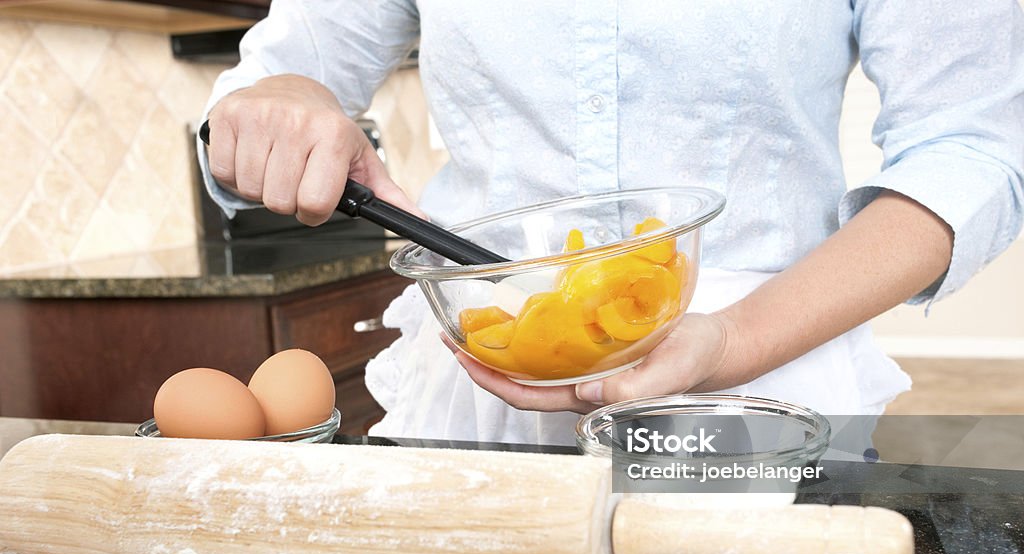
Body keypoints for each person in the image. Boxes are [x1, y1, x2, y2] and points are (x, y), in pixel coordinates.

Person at [199, 1, 1024, 445]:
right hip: (479, 396)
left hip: (756, 394)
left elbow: (972, 146)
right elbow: (264, 87)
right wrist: (284, 102)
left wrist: (734, 340)